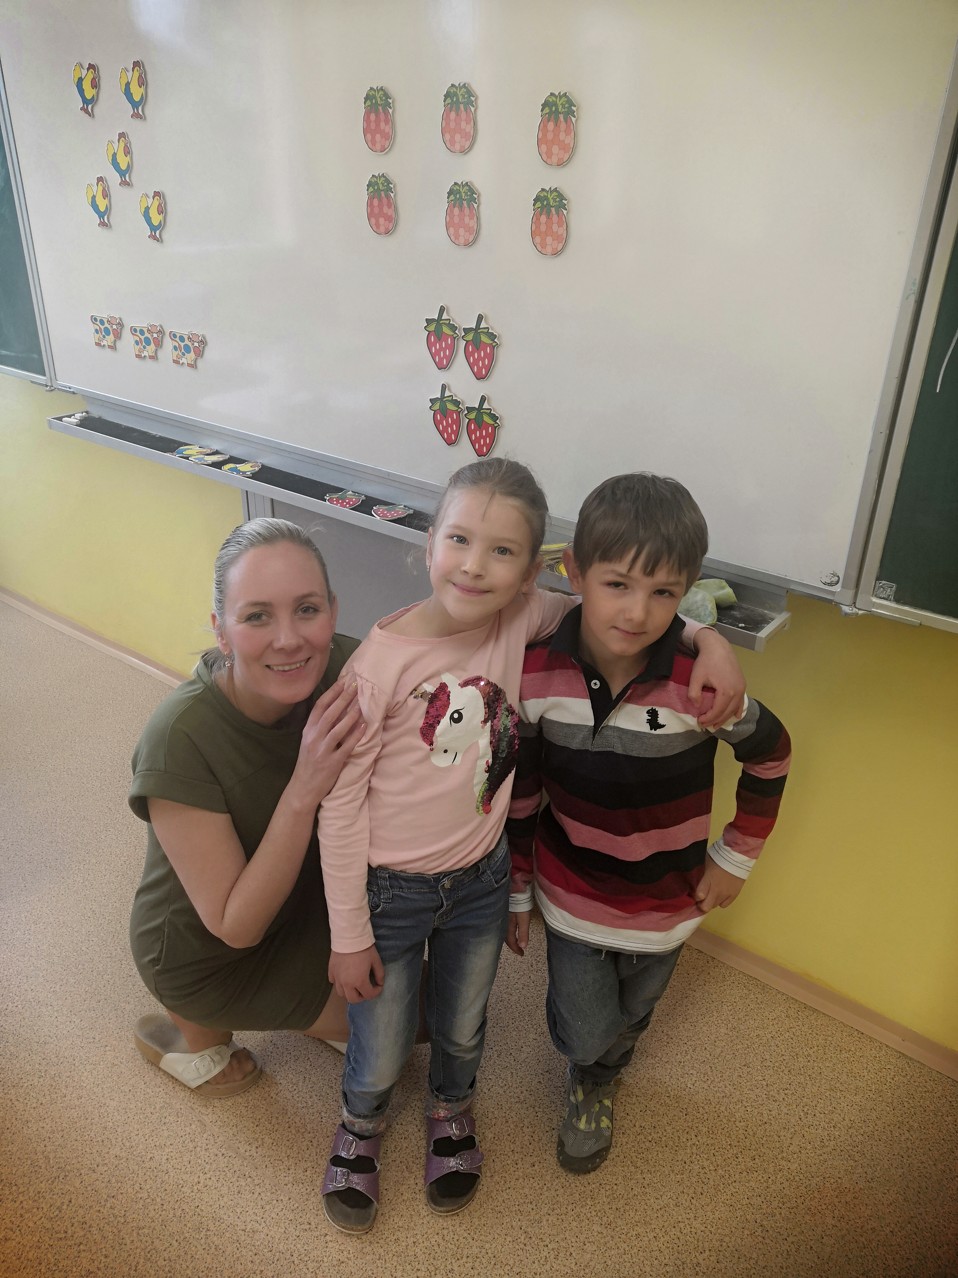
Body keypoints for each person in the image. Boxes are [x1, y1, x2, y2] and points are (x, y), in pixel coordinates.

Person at [316, 458, 748, 1233]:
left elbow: (621, 606)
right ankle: (362, 1123)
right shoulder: (376, 670)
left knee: (463, 1022)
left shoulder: (523, 616)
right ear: (429, 542)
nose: (474, 566)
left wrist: (706, 637)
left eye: (503, 552)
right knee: (381, 1038)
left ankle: (452, 1109)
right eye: (459, 539)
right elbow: (339, 810)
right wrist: (347, 934)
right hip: (390, 889)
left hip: (481, 880)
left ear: (532, 573)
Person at [505, 473, 792, 1174]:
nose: (637, 612)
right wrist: (517, 887)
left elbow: (772, 754)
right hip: (572, 891)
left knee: (636, 1010)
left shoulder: (701, 682)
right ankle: (588, 1068)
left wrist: (736, 856)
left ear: (686, 592)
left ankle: (603, 1076)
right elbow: (523, 789)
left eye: (664, 593)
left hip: (670, 899)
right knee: (585, 1027)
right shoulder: (536, 671)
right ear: (575, 572)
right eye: (618, 585)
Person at [128, 518, 365, 1097]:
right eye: (257, 616)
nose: (288, 639)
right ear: (222, 631)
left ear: (333, 610)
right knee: (394, 1023)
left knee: (429, 1013)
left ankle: (317, 1009)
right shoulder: (179, 737)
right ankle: (192, 1033)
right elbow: (236, 926)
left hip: (310, 905)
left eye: (306, 609)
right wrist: (305, 787)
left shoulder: (349, 668)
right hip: (214, 952)